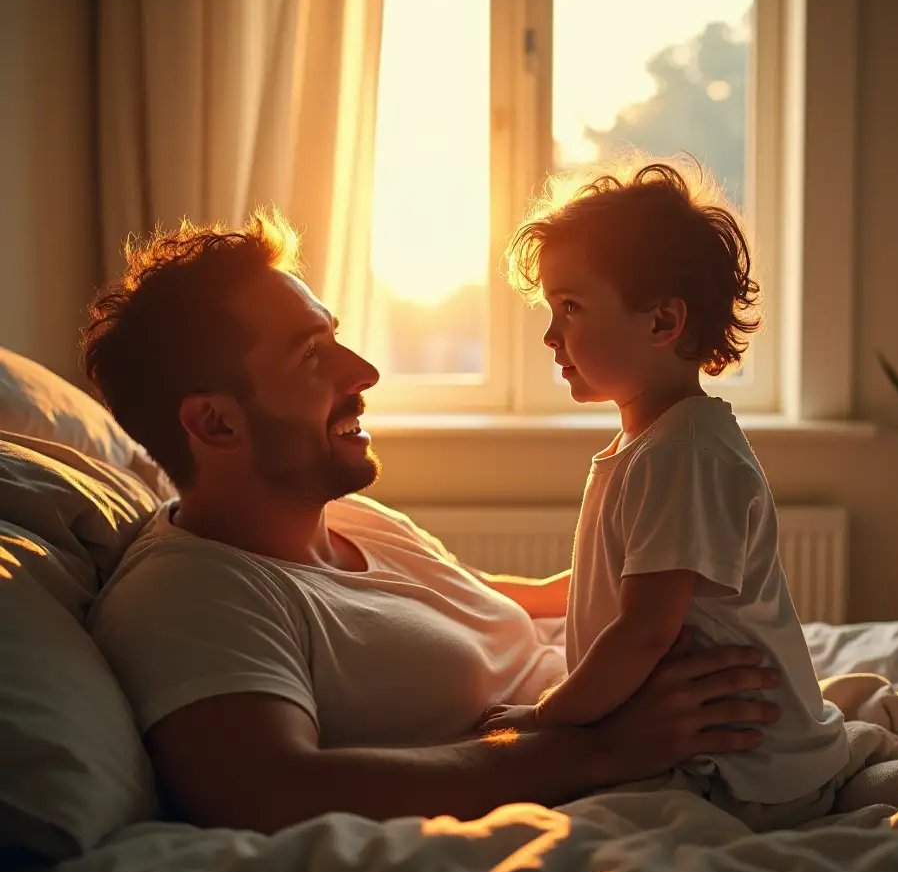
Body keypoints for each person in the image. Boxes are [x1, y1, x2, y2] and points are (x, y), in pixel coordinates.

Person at [81, 208, 782, 834]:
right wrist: (604, 748)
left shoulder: (349, 518)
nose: (364, 372)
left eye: (336, 337)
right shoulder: (192, 598)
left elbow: (492, 599)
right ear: (215, 422)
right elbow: (274, 791)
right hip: (642, 772)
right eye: (312, 355)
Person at [480, 157, 850, 831]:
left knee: (546, 824)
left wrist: (547, 717)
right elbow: (620, 582)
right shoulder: (656, 443)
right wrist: (497, 590)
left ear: (662, 322)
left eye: (571, 307)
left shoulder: (681, 455)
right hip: (719, 754)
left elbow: (645, 628)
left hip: (742, 772)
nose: (551, 335)